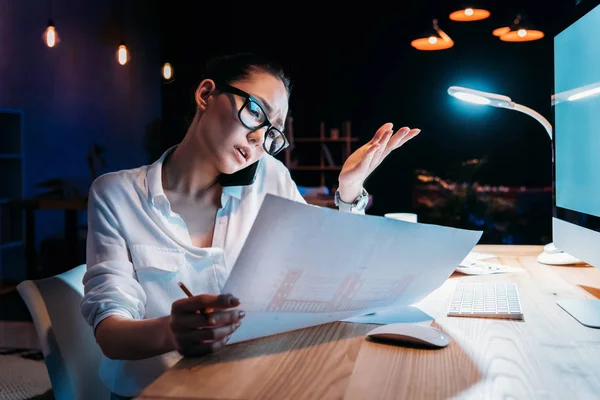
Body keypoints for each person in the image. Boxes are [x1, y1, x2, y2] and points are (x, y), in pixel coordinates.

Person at [80, 52, 420, 398]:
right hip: (155, 391)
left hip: (253, 383)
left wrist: (348, 190)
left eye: (273, 132)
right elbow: (110, 333)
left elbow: (332, 273)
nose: (260, 139)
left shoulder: (268, 179)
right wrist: (170, 332)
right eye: (255, 112)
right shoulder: (117, 194)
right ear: (205, 95)